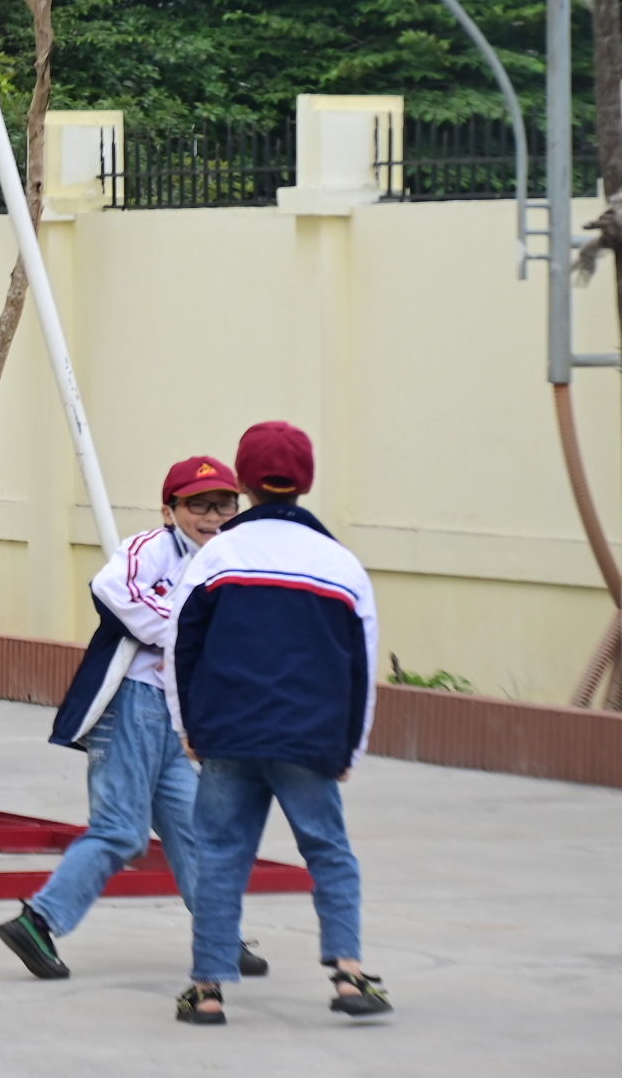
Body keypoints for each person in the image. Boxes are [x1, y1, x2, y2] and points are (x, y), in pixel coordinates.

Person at [0, 456, 268, 982]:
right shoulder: (151, 548)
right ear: (170, 511)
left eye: (223, 504)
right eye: (197, 505)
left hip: (177, 718)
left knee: (198, 830)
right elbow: (110, 590)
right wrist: (183, 633)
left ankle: (219, 936)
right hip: (131, 703)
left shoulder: (233, 562)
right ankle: (39, 922)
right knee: (120, 830)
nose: (212, 517)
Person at [166, 422, 391, 1024]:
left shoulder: (217, 555)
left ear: (242, 481)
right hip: (309, 740)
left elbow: (179, 645)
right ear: (305, 483)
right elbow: (361, 668)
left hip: (228, 737)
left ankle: (208, 990)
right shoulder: (341, 565)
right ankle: (348, 978)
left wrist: (188, 726)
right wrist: (351, 746)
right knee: (329, 852)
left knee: (218, 855)